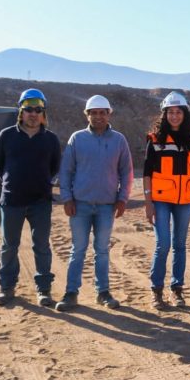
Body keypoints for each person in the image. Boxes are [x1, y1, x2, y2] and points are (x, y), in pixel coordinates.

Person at [56, 95, 133, 312]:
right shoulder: (77, 139)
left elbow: (126, 171)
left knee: (102, 250)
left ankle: (103, 292)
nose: (98, 116)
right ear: (87, 114)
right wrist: (67, 198)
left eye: (102, 112)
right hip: (79, 205)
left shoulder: (119, 140)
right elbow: (66, 170)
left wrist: (122, 198)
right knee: (78, 250)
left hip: (106, 206)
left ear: (109, 114)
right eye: (94, 112)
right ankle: (71, 293)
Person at [0, 88, 62, 306]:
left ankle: (43, 290)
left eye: (38, 110)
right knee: (9, 246)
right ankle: (7, 288)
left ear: (43, 113)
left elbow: (54, 168)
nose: (33, 113)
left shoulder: (50, 139)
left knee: (41, 246)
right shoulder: (6, 136)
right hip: (12, 201)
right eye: (28, 109)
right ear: (21, 112)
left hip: (40, 202)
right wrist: (13, 184)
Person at [142, 91, 190, 310]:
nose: (175, 116)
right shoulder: (155, 140)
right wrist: (148, 203)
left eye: (179, 112)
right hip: (160, 200)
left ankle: (177, 290)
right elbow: (147, 173)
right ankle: (156, 290)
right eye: (171, 112)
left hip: (184, 200)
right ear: (164, 114)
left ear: (185, 114)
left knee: (180, 245)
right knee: (163, 244)